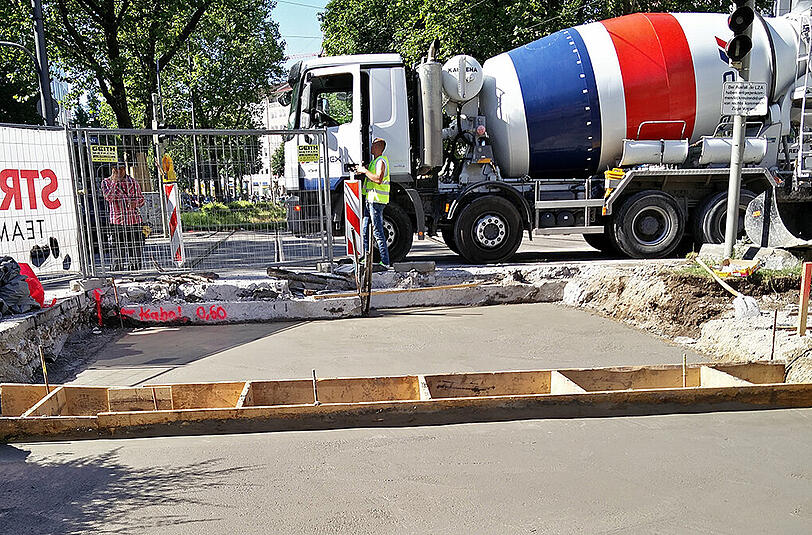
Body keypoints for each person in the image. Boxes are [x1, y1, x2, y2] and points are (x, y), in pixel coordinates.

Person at [101, 163, 146, 271]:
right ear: (112, 169)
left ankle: (135, 274)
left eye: (121, 169)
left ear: (125, 169)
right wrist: (114, 182)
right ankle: (117, 274)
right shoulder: (106, 182)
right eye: (116, 169)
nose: (119, 172)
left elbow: (141, 200)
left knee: (135, 252)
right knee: (117, 252)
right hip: (117, 222)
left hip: (133, 221)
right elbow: (109, 197)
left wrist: (136, 203)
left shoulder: (133, 182)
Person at [355, 137, 391, 267]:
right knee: (365, 230)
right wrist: (363, 169)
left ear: (378, 147)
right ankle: (366, 259)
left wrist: (364, 171)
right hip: (370, 200)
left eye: (373, 145)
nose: (370, 147)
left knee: (377, 232)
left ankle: (385, 262)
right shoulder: (374, 162)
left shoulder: (380, 161)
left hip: (376, 201)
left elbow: (378, 179)